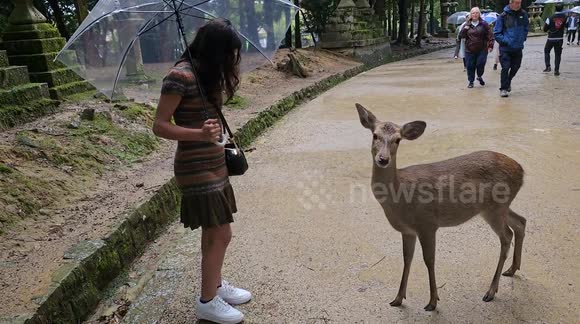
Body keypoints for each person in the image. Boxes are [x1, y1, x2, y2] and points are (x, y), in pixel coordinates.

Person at [153, 19, 250, 324]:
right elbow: (160, 125)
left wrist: (217, 136)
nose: (232, 61)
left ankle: (216, 286)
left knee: (217, 233)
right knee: (220, 234)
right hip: (195, 168)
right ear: (215, 50)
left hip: (215, 163)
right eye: (229, 54)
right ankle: (207, 302)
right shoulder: (179, 76)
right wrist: (199, 134)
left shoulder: (203, 73)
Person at [494, 0, 529, 98]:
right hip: (506, 48)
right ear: (511, 3)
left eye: (520, 3)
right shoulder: (503, 16)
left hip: (518, 47)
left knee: (516, 67)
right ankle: (503, 89)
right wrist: (506, 41)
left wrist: (523, 37)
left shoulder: (523, 14)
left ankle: (508, 81)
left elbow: (526, 27)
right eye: (517, 3)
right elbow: (497, 33)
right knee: (505, 67)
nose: (519, 5)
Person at [460, 7, 494, 88]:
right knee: (470, 66)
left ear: (479, 14)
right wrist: (465, 29)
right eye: (473, 13)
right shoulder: (466, 24)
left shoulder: (484, 24)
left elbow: (490, 35)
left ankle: (479, 76)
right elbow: (461, 36)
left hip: (482, 49)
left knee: (480, 64)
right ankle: (471, 81)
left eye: (476, 13)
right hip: (469, 49)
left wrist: (490, 45)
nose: (474, 15)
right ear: (470, 15)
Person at [543, 4, 567, 76]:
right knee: (558, 54)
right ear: (562, 9)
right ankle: (556, 70)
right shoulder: (565, 17)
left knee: (546, 51)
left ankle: (548, 66)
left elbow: (545, 29)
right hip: (559, 39)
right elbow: (567, 26)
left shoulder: (550, 17)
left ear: (555, 9)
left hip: (551, 38)